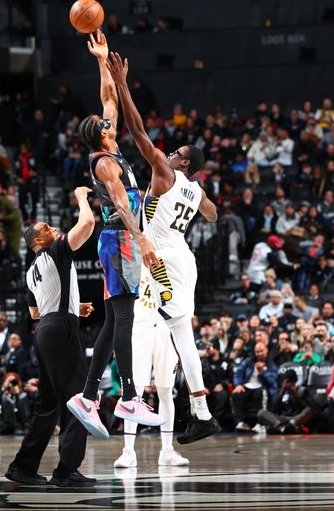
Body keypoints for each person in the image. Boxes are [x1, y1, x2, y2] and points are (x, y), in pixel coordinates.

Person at [107, 51, 221, 444]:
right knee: (180, 333)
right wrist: (195, 199)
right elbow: (213, 215)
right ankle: (201, 412)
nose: (168, 153)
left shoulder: (168, 173)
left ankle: (140, 400)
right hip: (182, 258)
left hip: (165, 262)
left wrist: (122, 84)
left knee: (157, 328)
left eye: (176, 153)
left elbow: (137, 132)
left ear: (184, 162)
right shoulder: (196, 188)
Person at [66, 31, 163, 437]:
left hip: (116, 241)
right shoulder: (106, 164)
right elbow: (122, 205)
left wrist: (101, 60)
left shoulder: (109, 146)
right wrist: (141, 238)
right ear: (101, 134)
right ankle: (127, 396)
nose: (111, 119)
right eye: (106, 124)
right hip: (120, 238)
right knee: (125, 316)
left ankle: (88, 396)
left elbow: (109, 97)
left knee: (111, 322)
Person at [6, 186, 97, 488]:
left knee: (47, 405)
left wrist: (74, 308)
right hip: (60, 330)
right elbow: (87, 225)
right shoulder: (55, 250)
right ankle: (66, 471)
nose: (53, 228)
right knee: (79, 398)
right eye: (46, 228)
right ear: (38, 240)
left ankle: (23, 467)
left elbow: (35, 313)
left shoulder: (31, 270)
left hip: (45, 329)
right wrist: (81, 197)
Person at [114, 272, 187, 468]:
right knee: (133, 391)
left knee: (165, 390)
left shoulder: (172, 260)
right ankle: (128, 450)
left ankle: (167, 449)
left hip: (167, 327)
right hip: (139, 328)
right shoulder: (133, 258)